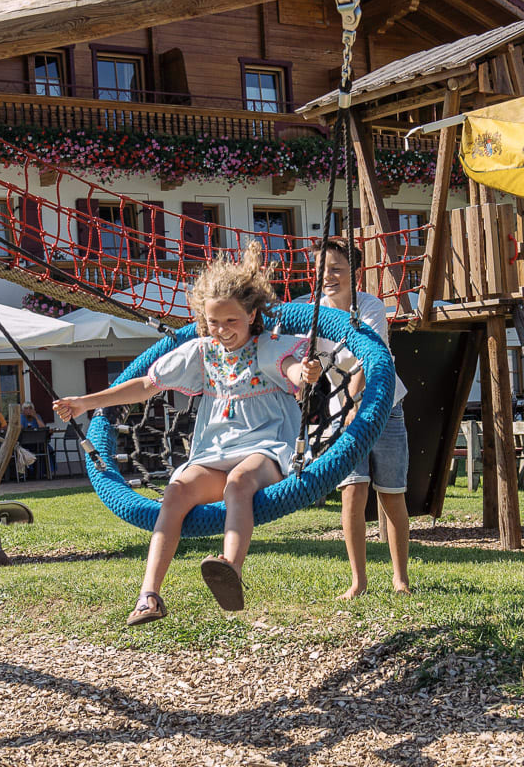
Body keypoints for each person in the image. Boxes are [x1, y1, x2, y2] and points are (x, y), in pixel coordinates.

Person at [54, 243, 329, 624]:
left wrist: (305, 373)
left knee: (239, 482)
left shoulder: (268, 347)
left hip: (266, 448)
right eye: (214, 322)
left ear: (251, 315)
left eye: (231, 320)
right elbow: (145, 385)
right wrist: (86, 402)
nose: (223, 330)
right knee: (176, 491)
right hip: (214, 451)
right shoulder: (201, 352)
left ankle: (230, 568)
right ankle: (149, 596)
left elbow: (292, 369)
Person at [315, 238, 413, 598]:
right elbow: (302, 358)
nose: (328, 276)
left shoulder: (370, 307)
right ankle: (358, 581)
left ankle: (400, 578)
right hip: (343, 412)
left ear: (354, 273)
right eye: (322, 269)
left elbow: (367, 359)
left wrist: (355, 405)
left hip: (383, 407)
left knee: (391, 493)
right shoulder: (313, 312)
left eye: (336, 269)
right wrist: (304, 375)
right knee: (353, 492)